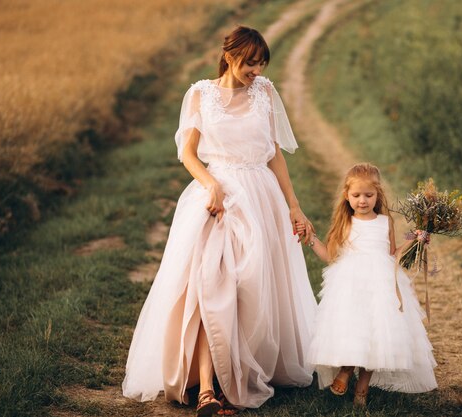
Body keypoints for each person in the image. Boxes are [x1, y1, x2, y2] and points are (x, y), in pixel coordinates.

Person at [122, 26, 318, 416]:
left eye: (262, 63)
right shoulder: (200, 94)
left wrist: (293, 205)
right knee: (208, 285)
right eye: (250, 62)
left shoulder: (265, 92)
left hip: (261, 198)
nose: (256, 70)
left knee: (250, 288)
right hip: (217, 199)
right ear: (230, 57)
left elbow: (274, 154)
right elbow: (189, 154)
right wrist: (212, 186)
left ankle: (240, 370)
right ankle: (209, 389)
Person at [300, 163, 437, 407]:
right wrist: (311, 240)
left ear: (378, 195)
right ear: (347, 196)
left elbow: (393, 253)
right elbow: (331, 257)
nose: (362, 201)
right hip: (350, 284)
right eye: (356, 196)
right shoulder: (346, 222)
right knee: (355, 328)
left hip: (381, 283)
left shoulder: (385, 222)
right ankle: (345, 370)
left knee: (376, 333)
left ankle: (361, 390)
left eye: (368, 195)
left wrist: (416, 240)